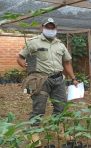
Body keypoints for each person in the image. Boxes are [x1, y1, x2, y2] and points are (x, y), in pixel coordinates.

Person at [17, 18, 78, 146]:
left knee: (61, 107)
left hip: (58, 80)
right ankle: (34, 134)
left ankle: (58, 130)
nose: (50, 30)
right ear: (42, 28)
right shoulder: (33, 42)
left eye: (52, 28)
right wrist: (24, 65)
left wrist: (73, 78)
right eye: (48, 27)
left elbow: (67, 62)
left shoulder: (60, 45)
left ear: (56, 29)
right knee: (39, 108)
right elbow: (20, 57)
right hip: (40, 80)